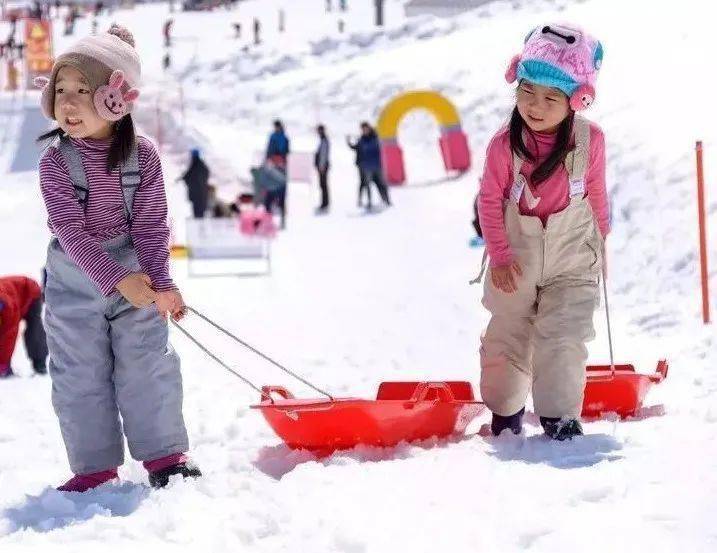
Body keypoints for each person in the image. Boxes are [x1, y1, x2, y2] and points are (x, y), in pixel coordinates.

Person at [35, 24, 201, 492]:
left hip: (136, 279)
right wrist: (115, 278)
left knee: (148, 362)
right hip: (74, 280)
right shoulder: (54, 162)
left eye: (83, 91)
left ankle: (166, 455)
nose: (68, 103)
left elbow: (150, 226)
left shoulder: (143, 156)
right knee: (79, 373)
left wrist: (162, 284)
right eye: (61, 90)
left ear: (115, 99)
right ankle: (94, 467)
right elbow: (69, 230)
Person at [476, 23, 609, 441]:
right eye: (527, 92)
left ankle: (559, 419)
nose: (535, 106)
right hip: (515, 256)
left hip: (572, 255)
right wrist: (499, 255)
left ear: (576, 100)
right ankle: (506, 414)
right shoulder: (504, 145)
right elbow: (488, 200)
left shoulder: (591, 141)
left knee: (564, 335)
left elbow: (596, 193)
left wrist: (601, 242)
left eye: (551, 98)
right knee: (509, 334)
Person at [0, 276, 48, 378]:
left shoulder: (7, 307)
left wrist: (3, 363)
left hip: (31, 292)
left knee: (34, 329)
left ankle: (39, 364)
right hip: (13, 291)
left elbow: (9, 335)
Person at [347, 122, 390, 210]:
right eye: (363, 129)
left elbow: (374, 149)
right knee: (367, 185)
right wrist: (349, 143)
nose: (364, 131)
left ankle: (386, 200)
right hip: (367, 167)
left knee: (381, 184)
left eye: (365, 129)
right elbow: (357, 148)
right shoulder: (362, 139)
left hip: (376, 165)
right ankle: (369, 202)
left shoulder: (374, 137)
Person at [178, 148, 210, 218]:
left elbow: (188, 175)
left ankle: (198, 221)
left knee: (197, 208)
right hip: (202, 191)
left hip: (196, 192)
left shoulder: (195, 165)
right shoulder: (203, 166)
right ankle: (199, 221)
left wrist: (181, 179)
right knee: (200, 208)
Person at [314, 124, 330, 212]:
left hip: (322, 166)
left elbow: (323, 155)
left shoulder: (324, 140)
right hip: (322, 166)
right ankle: (324, 202)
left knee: (323, 185)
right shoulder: (323, 140)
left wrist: (321, 166)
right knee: (323, 185)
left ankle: (325, 203)